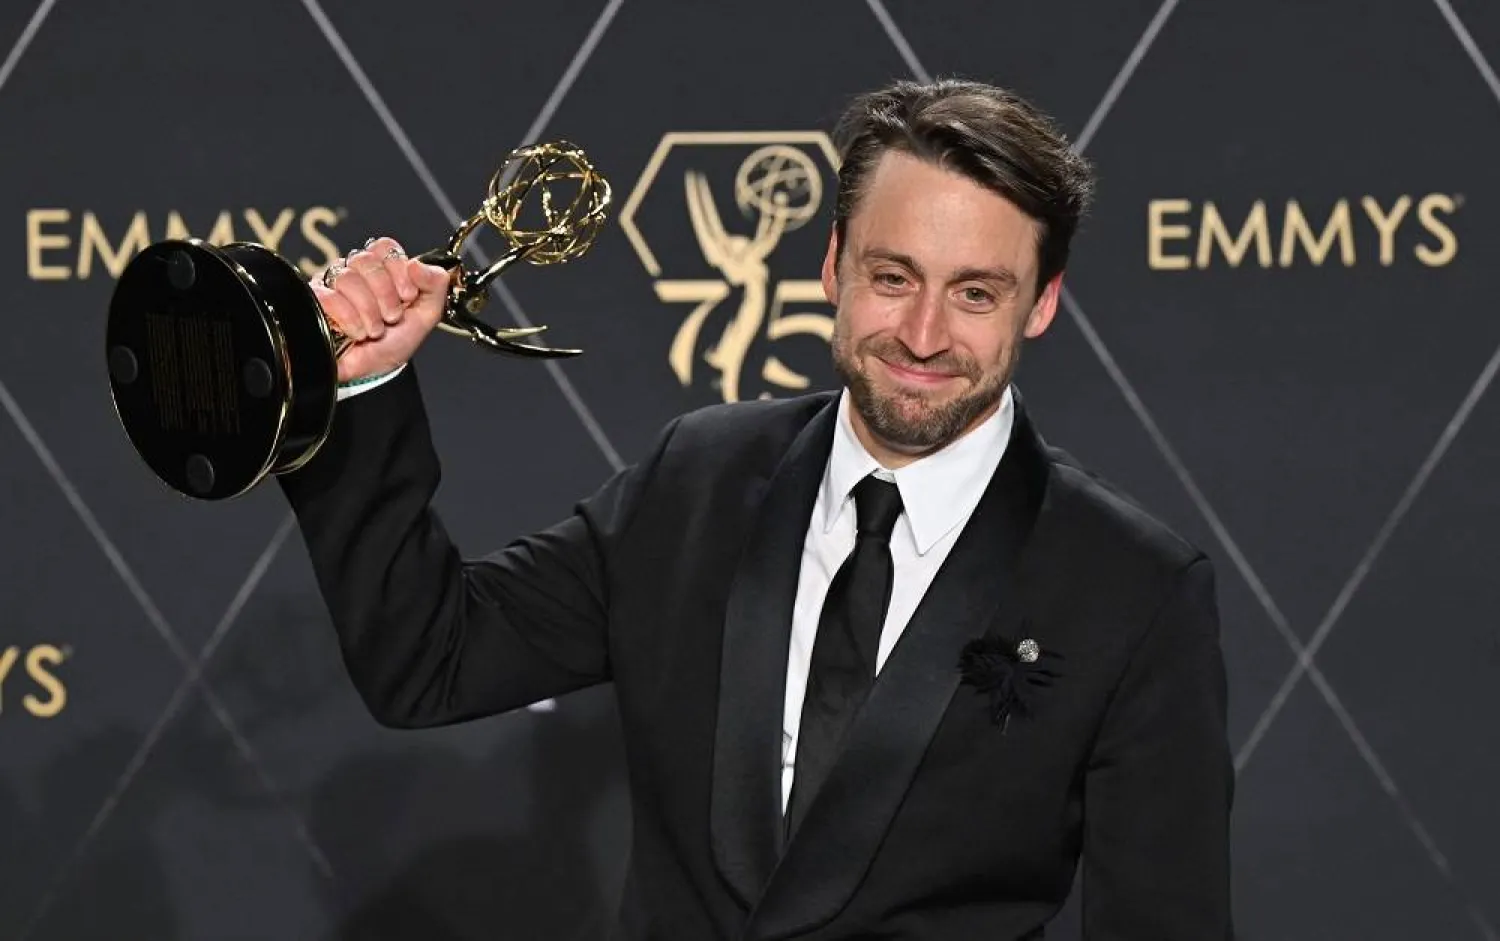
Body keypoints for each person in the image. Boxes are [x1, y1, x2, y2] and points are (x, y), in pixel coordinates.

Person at [282, 78, 1235, 940]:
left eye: (975, 293)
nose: (922, 333)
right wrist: (364, 390)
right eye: (892, 277)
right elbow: (428, 661)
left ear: (1042, 303)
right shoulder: (699, 479)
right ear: (833, 267)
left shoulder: (1131, 589)